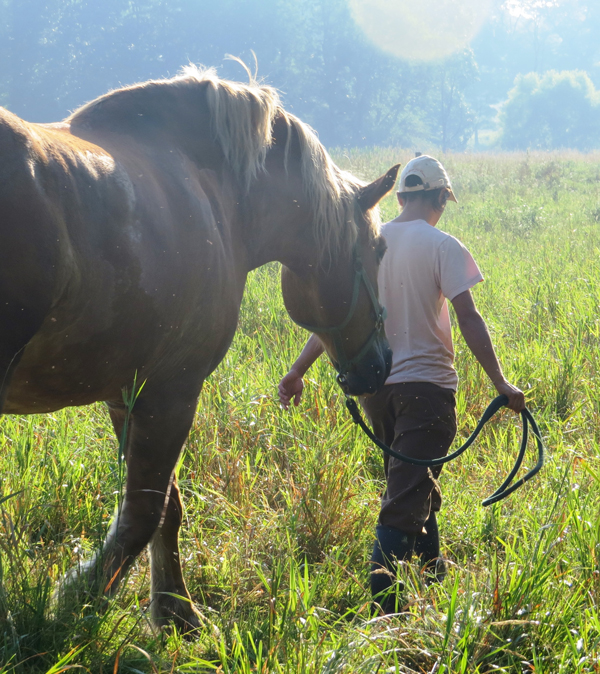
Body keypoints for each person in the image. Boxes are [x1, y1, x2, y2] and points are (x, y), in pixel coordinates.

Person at [278, 155, 525, 614]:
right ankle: (385, 608)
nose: (441, 210)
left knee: (414, 481)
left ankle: (433, 577)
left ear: (401, 196)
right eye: (442, 202)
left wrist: (298, 371)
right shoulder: (442, 245)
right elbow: (468, 318)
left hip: (377, 393)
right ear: (436, 198)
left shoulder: (370, 241)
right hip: (427, 391)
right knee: (404, 495)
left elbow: (339, 320)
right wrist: (501, 383)